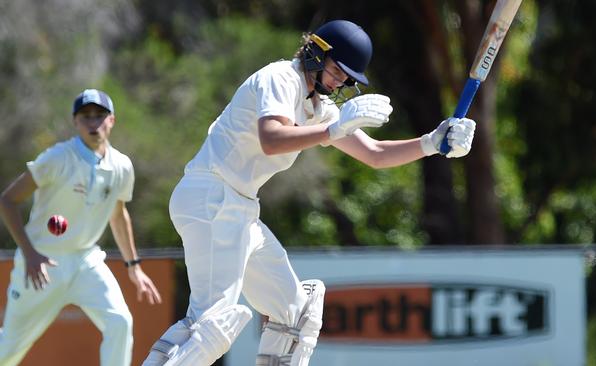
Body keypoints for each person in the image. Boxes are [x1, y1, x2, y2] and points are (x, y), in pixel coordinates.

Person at [143, 19, 475, 366]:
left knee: (296, 314)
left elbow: (375, 155)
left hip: (239, 209)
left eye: (348, 78)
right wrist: (331, 131)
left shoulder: (320, 108)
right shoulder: (280, 78)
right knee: (213, 326)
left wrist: (432, 143)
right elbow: (272, 138)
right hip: (211, 197)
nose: (340, 81)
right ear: (315, 52)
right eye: (337, 70)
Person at [0, 89, 162, 366]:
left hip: (87, 260)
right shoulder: (57, 158)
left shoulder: (122, 166)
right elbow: (7, 200)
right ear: (75, 123)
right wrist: (30, 254)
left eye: (99, 116)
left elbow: (119, 215)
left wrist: (133, 266)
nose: (93, 123)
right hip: (41, 263)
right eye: (85, 116)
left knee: (120, 321)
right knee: (8, 351)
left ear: (112, 120)